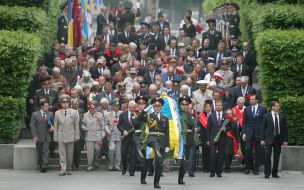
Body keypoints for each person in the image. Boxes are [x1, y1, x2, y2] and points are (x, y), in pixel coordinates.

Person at [136, 97, 170, 189]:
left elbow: (167, 132)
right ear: (153, 107)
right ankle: (143, 177)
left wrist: (168, 145)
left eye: (159, 106)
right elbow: (137, 120)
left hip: (162, 140)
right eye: (155, 106)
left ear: (161, 107)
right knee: (157, 153)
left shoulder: (165, 118)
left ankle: (156, 182)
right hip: (152, 139)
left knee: (159, 162)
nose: (157, 107)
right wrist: (144, 111)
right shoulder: (149, 116)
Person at [53, 94, 80, 176]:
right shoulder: (57, 113)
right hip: (61, 135)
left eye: (66, 102)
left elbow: (76, 125)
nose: (65, 104)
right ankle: (63, 169)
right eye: (63, 102)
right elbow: (56, 126)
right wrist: (55, 137)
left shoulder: (74, 112)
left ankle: (69, 168)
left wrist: (77, 136)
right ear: (61, 104)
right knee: (62, 154)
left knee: (69, 154)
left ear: (69, 103)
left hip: (70, 135)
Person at [261, 101, 288, 179]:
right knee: (267, 156)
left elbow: (285, 129)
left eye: (278, 106)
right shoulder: (266, 116)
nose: (278, 107)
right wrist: (262, 139)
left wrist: (285, 140)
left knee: (277, 157)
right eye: (277, 106)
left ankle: (274, 173)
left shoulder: (282, 116)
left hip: (278, 139)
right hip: (268, 138)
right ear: (273, 107)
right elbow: (263, 128)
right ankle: (267, 173)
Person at [242, 94, 267, 175]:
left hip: (259, 133)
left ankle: (256, 168)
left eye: (253, 99)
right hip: (249, 132)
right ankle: (248, 167)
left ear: (257, 100)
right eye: (250, 99)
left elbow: (264, 122)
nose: (251, 100)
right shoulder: (247, 109)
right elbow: (244, 122)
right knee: (248, 150)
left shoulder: (263, 109)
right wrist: (244, 132)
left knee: (258, 151)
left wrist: (264, 134)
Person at [207, 101, 232, 177]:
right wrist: (208, 139)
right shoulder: (211, 115)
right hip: (213, 138)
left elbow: (230, 127)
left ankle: (219, 172)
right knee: (212, 154)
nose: (218, 106)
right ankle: (212, 171)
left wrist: (226, 128)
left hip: (222, 138)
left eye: (219, 105)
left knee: (221, 155)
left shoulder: (226, 116)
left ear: (222, 106)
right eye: (217, 105)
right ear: (215, 106)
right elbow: (208, 129)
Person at [81, 100, 106, 171]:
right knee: (89, 151)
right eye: (91, 108)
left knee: (97, 150)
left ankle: (95, 160)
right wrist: (85, 128)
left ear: (96, 108)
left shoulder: (100, 115)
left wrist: (102, 135)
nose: (92, 109)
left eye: (94, 108)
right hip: (89, 135)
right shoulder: (85, 115)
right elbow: (82, 124)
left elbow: (103, 125)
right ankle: (89, 165)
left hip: (98, 135)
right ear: (89, 108)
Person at [30, 100, 54, 173]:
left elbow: (52, 124)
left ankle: (45, 165)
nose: (47, 107)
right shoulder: (35, 114)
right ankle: (41, 163)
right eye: (46, 106)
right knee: (40, 152)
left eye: (48, 106)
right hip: (38, 136)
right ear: (42, 106)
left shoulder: (50, 114)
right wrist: (34, 136)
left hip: (47, 135)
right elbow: (32, 126)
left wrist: (52, 128)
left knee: (45, 150)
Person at [178, 96, 197, 182]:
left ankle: (181, 177)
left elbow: (191, 124)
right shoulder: (177, 114)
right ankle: (181, 178)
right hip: (180, 137)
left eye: (186, 104)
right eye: (182, 104)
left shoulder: (191, 115)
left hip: (189, 138)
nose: (184, 106)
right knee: (182, 158)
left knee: (187, 158)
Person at [117, 101, 138, 176]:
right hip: (125, 137)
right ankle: (124, 168)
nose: (132, 109)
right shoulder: (123, 114)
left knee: (133, 154)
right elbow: (119, 125)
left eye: (133, 107)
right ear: (128, 107)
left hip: (134, 137)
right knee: (124, 154)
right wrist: (123, 131)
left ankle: (132, 170)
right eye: (131, 107)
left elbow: (139, 125)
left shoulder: (137, 114)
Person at [105, 100, 122, 171]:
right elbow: (105, 124)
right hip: (111, 134)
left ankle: (117, 166)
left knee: (118, 151)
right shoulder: (108, 114)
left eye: (118, 106)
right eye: (115, 106)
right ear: (112, 106)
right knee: (111, 149)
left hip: (119, 134)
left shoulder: (122, 113)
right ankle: (111, 164)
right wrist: (108, 131)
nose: (116, 107)